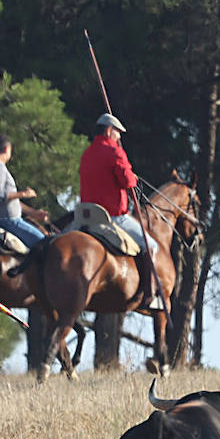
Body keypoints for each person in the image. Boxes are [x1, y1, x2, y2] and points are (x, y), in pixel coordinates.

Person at [79, 113, 158, 307]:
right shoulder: (115, 152)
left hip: (86, 214)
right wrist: (132, 175)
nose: (119, 137)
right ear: (108, 130)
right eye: (117, 133)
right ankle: (149, 294)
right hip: (112, 216)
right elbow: (127, 181)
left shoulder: (87, 153)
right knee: (151, 246)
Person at [0, 134, 48, 248]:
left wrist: (33, 213)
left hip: (8, 219)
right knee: (45, 244)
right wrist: (23, 194)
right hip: (7, 221)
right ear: (7, 149)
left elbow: (8, 199)